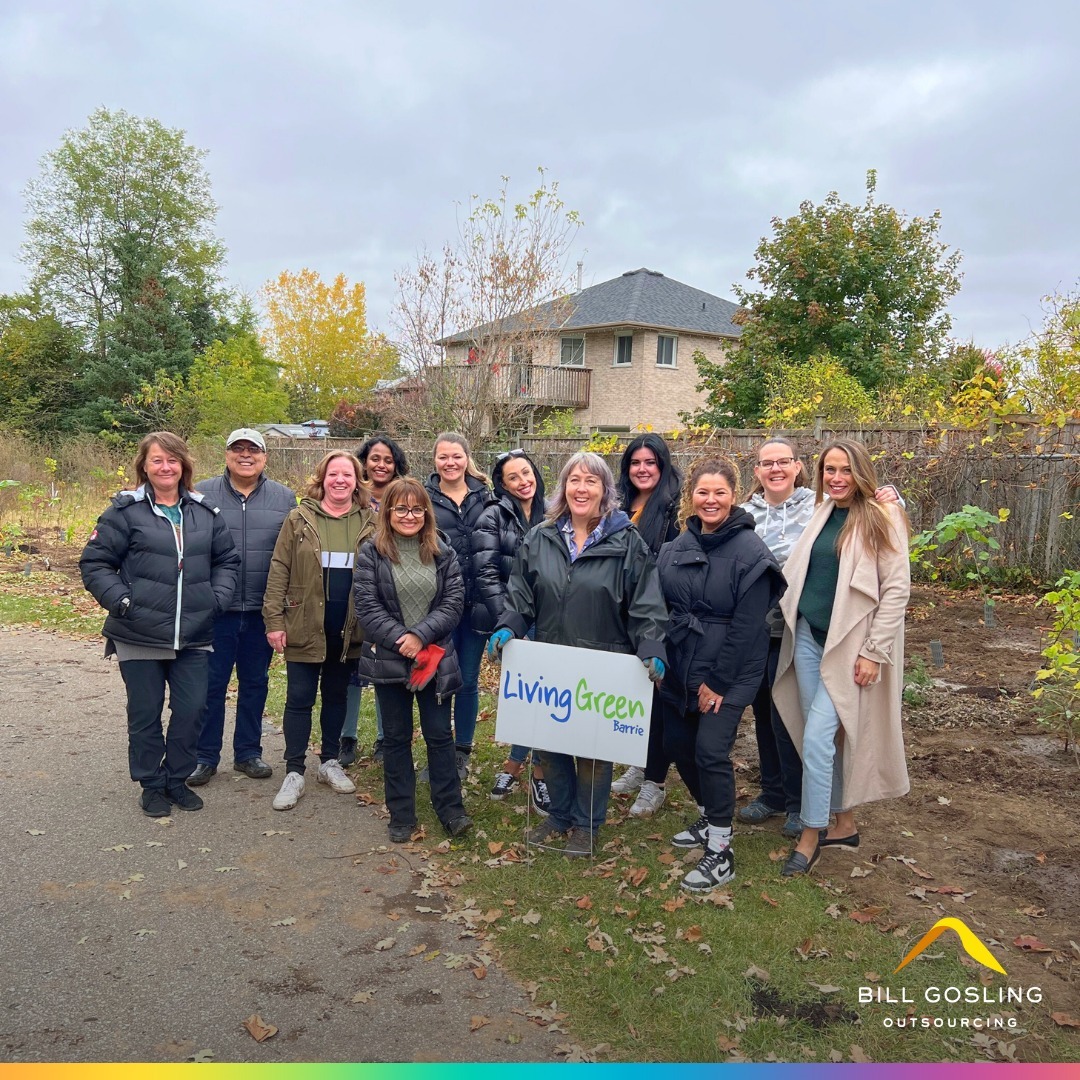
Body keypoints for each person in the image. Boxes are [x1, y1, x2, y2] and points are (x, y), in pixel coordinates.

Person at [488, 452, 668, 857]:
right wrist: (508, 625)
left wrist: (653, 645)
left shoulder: (627, 543)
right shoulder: (541, 537)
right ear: (563, 488)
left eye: (591, 481)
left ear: (605, 491)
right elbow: (521, 596)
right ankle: (560, 815)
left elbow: (646, 605)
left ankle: (588, 825)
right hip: (552, 663)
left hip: (604, 664)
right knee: (550, 744)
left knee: (593, 750)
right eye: (574, 480)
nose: (581, 488)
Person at [738, 438, 903, 840]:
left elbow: (896, 587)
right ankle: (842, 823)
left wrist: (874, 651)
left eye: (846, 469)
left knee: (817, 736)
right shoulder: (820, 510)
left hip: (847, 644)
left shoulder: (877, 514)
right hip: (806, 636)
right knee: (812, 729)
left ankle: (812, 827)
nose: (837, 477)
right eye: (830, 470)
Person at [80, 432, 239, 817]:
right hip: (138, 631)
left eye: (172, 460)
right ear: (144, 466)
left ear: (184, 465)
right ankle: (151, 783)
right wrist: (121, 601)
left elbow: (227, 562)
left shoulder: (204, 512)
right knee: (146, 712)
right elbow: (95, 563)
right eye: (157, 461)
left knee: (192, 709)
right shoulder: (125, 511)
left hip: (194, 633)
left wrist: (215, 601)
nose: (165, 467)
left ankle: (176, 778)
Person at [658, 458, 786, 891]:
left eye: (720, 493)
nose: (710, 500)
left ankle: (721, 850)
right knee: (677, 743)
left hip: (731, 668)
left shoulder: (752, 553)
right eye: (702, 492)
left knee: (711, 750)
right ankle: (710, 815)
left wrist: (718, 683)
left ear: (734, 495)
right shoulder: (677, 546)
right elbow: (661, 607)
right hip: (681, 661)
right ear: (690, 496)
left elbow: (749, 628)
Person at [353, 477, 472, 841]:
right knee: (396, 737)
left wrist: (420, 635)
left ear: (426, 512)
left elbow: (453, 603)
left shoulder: (443, 552)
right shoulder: (371, 552)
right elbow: (366, 606)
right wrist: (401, 639)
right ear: (387, 510)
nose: (409, 515)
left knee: (439, 736)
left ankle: (450, 809)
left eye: (417, 508)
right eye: (401, 508)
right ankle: (401, 813)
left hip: (434, 657)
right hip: (390, 657)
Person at [263, 451, 376, 810]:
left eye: (347, 474)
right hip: (303, 624)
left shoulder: (371, 522)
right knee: (299, 697)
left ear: (357, 481)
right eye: (333, 474)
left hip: (348, 629)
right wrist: (274, 620)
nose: (340, 480)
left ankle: (329, 761)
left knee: (337, 695)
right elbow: (280, 567)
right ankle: (294, 771)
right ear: (322, 479)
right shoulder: (299, 518)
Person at [187, 428, 296, 787]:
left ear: (265, 457)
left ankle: (248, 753)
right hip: (216, 610)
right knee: (211, 685)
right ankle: (205, 757)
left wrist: (283, 609)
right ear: (227, 454)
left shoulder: (284, 498)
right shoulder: (201, 493)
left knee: (255, 683)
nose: (245, 455)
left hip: (263, 611)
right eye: (238, 449)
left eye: (254, 450)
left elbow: (292, 556)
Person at [472, 448, 552, 816]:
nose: (524, 482)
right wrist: (511, 623)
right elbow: (486, 573)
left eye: (527, 473)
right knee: (525, 698)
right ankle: (524, 766)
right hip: (515, 622)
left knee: (549, 700)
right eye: (513, 477)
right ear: (502, 485)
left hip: (553, 621)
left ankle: (532, 768)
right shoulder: (492, 516)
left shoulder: (555, 512)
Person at [610, 434, 683, 817]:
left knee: (658, 702)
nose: (642, 469)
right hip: (622, 615)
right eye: (635, 463)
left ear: (663, 465)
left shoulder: (675, 510)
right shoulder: (619, 507)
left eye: (650, 463)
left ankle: (655, 781)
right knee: (635, 698)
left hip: (660, 615)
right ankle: (638, 765)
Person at [424, 432, 491, 781]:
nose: (450, 463)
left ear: (467, 457)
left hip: (478, 603)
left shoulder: (486, 496)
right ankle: (438, 751)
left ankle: (462, 749)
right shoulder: (424, 497)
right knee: (437, 678)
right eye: (443, 457)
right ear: (434, 460)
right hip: (438, 603)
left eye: (456, 456)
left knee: (466, 679)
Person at [340, 433, 410, 766]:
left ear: (396, 465)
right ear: (364, 461)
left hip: (393, 595)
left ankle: (385, 738)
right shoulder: (352, 497)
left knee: (386, 666)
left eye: (388, 459)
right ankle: (347, 737)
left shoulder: (403, 497)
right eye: (375, 458)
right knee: (351, 667)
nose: (381, 465)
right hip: (353, 592)